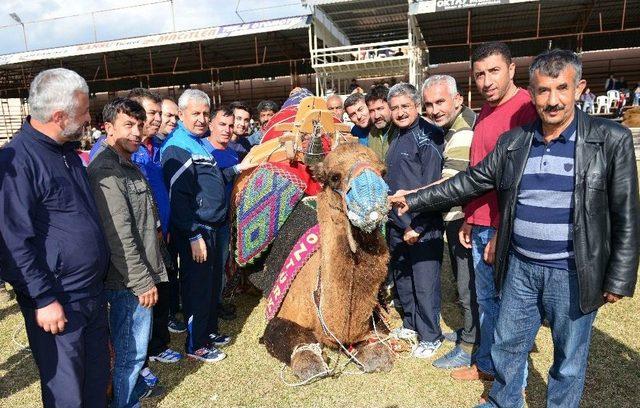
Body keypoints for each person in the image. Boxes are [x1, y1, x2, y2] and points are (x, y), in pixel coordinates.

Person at [391, 48, 639, 408]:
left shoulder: (610, 139)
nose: (552, 101)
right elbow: (470, 181)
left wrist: (618, 278)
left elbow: (626, 214)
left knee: (568, 359)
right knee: (508, 343)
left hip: (573, 269)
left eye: (562, 89)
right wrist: (415, 199)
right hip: (521, 265)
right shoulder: (515, 142)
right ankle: (503, 401)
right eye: (543, 91)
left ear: (579, 88)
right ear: (532, 91)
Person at [0, 68, 110, 407]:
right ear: (59, 116)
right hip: (58, 301)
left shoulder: (67, 151)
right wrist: (44, 298)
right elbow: (11, 241)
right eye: (84, 111)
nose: (90, 118)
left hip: (90, 292)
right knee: (67, 394)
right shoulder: (17, 162)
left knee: (96, 382)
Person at [445, 42, 537, 393]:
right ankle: (486, 363)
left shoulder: (525, 109)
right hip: (480, 223)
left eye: (494, 71)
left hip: (504, 228)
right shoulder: (485, 110)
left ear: (512, 69)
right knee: (486, 300)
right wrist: (471, 216)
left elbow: (520, 180)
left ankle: (506, 380)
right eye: (480, 74)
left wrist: (501, 230)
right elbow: (477, 172)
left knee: (509, 307)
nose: (486, 80)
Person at [161, 89, 253, 362]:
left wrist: (239, 169)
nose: (201, 119)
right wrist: (192, 235)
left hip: (212, 227)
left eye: (204, 113)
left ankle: (208, 331)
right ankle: (196, 344)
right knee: (197, 288)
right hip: (197, 230)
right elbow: (179, 199)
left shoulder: (198, 144)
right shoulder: (177, 148)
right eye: (195, 114)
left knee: (211, 286)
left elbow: (212, 180)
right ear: (181, 115)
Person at [88, 98, 169, 408]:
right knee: (131, 351)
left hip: (137, 274)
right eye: (128, 126)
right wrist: (141, 281)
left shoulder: (126, 160)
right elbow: (119, 234)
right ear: (108, 128)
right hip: (127, 282)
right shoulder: (106, 170)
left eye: (139, 125)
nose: (137, 132)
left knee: (131, 348)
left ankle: (130, 394)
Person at [421, 74, 479, 370]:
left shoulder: (463, 131)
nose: (434, 110)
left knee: (468, 286)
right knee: (465, 282)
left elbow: (449, 186)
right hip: (461, 217)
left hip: (464, 219)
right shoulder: (454, 126)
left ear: (458, 100)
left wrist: (411, 197)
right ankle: (471, 332)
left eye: (440, 101)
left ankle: (469, 348)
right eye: (429, 104)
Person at [384, 82, 445, 359]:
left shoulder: (428, 137)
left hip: (421, 224)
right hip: (397, 223)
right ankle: (411, 325)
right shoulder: (395, 136)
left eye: (405, 106)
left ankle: (431, 335)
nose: (400, 112)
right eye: (394, 108)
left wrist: (414, 226)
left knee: (424, 282)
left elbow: (432, 188)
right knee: (404, 279)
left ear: (417, 106)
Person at [365, 84, 397, 162]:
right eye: (372, 111)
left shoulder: (402, 130)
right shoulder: (372, 133)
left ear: (390, 106)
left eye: (380, 109)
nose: (376, 116)